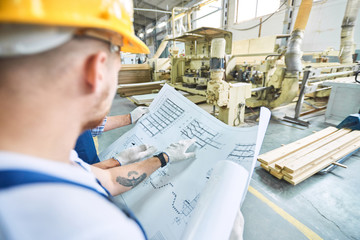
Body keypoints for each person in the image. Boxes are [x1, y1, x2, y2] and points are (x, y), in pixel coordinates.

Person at [0, 1, 197, 239]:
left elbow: (108, 180)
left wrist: (160, 158)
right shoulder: (97, 228)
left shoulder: (45, 159)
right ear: (96, 70)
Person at [75, 106, 149, 165]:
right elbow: (81, 173)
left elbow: (89, 125)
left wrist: (129, 118)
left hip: (93, 163)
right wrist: (116, 162)